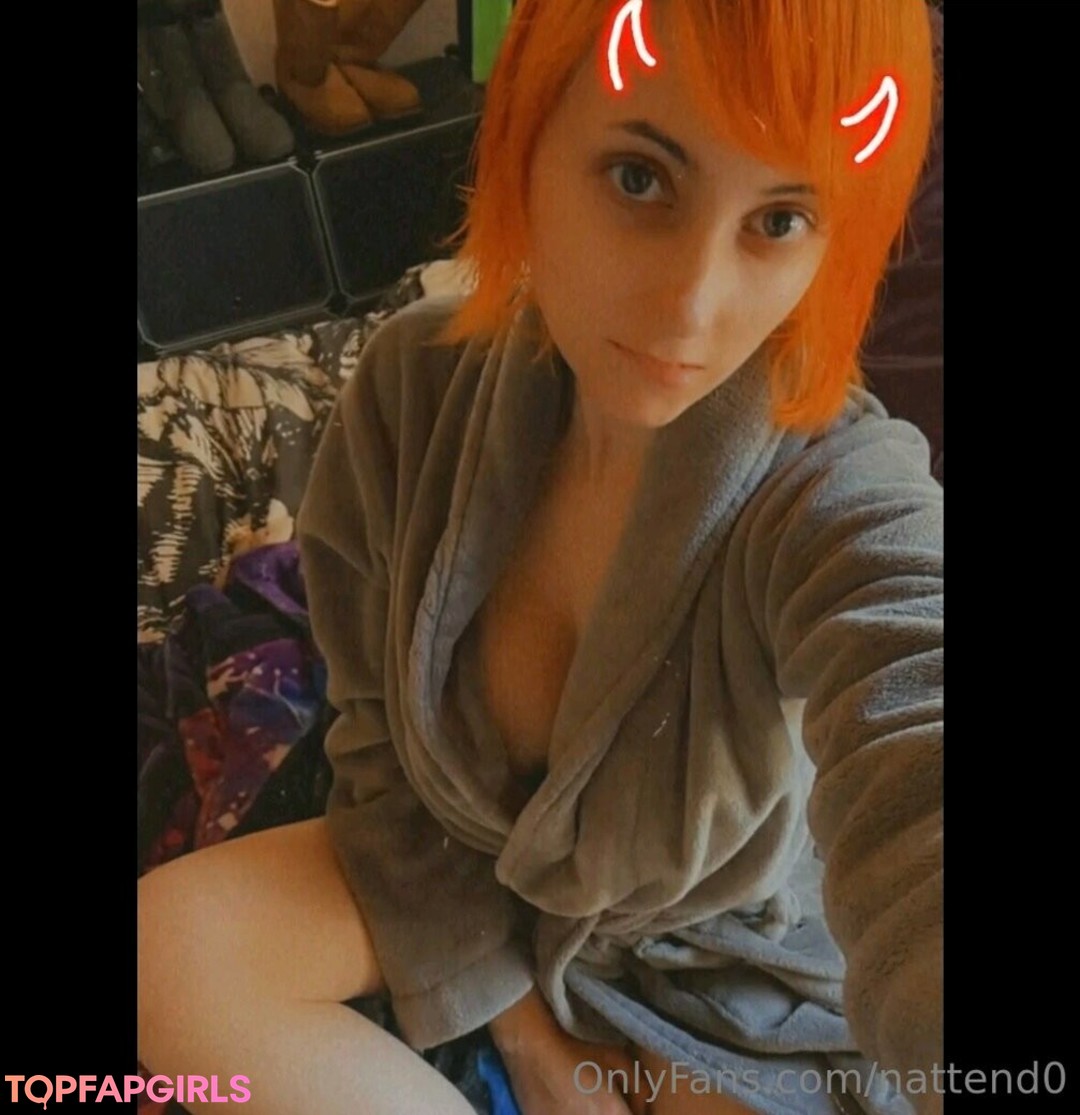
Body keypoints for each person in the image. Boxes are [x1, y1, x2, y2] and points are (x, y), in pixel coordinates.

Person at [137, 2, 942, 1114]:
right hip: (466, 883)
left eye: (780, 219)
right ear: (528, 135)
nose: (693, 305)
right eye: (640, 179)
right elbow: (378, 742)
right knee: (169, 953)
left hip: (727, 987)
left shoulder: (837, 490)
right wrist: (514, 1021)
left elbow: (913, 702)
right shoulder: (414, 394)